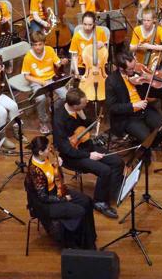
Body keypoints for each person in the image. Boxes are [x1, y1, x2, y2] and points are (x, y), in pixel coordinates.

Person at [53, 89, 123, 218]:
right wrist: (88, 155)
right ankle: (99, 202)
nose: (87, 104)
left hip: (86, 146)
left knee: (118, 161)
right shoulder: (59, 120)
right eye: (84, 104)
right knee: (104, 170)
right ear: (74, 105)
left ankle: (113, 191)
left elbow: (88, 125)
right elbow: (65, 149)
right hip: (72, 155)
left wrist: (83, 116)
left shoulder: (77, 110)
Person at [25, 136, 98, 248]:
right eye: (48, 148)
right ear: (40, 152)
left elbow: (56, 176)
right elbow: (43, 197)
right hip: (45, 204)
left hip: (57, 189)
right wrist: (63, 199)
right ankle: (74, 244)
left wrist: (57, 165)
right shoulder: (35, 170)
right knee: (79, 211)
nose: (50, 150)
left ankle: (89, 239)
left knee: (87, 201)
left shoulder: (44, 157)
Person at [106, 51, 162, 147]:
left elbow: (150, 91)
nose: (134, 71)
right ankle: (145, 149)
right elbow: (112, 107)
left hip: (144, 110)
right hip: (127, 116)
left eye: (134, 66)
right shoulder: (111, 81)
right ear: (121, 68)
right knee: (147, 138)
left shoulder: (136, 75)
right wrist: (133, 105)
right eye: (130, 69)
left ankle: (147, 146)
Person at [22, 32, 67, 134]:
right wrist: (41, 82)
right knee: (40, 98)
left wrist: (62, 63)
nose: (37, 47)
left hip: (51, 78)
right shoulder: (28, 57)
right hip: (36, 81)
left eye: (40, 44)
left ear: (44, 43)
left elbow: (58, 64)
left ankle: (53, 107)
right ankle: (43, 122)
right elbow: (26, 76)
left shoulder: (50, 50)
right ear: (32, 45)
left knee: (65, 96)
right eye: (35, 45)